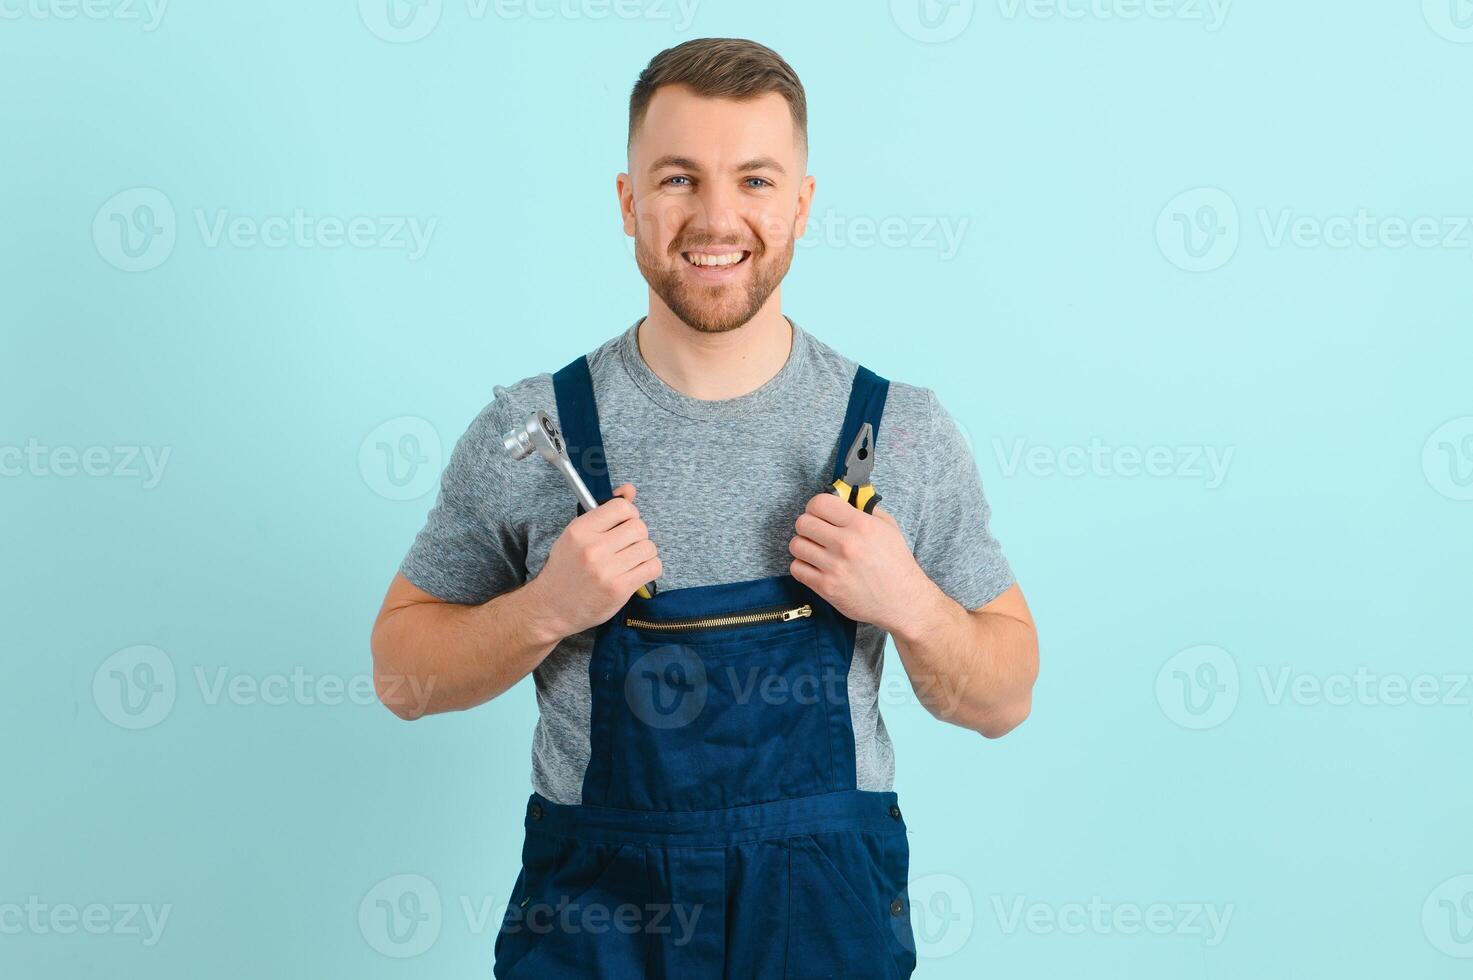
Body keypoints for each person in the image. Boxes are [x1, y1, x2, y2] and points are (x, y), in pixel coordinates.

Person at [370, 36, 1038, 979]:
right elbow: (401, 678)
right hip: (598, 922)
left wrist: (910, 604)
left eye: (756, 181)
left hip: (823, 919)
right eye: (678, 179)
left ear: (802, 203)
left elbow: (1005, 698)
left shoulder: (903, 434)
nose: (716, 218)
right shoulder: (529, 430)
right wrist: (546, 609)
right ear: (627, 201)